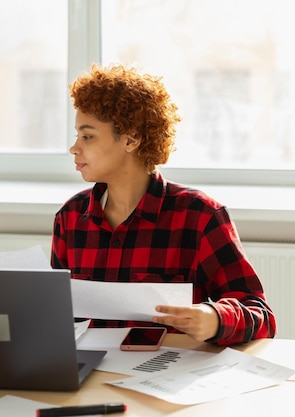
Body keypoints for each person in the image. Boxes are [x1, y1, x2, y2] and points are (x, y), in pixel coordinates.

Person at [51, 64, 276, 346]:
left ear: (131, 139)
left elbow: (260, 314)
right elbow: (55, 316)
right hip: (86, 378)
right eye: (77, 135)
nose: (74, 148)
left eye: (87, 136)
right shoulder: (70, 218)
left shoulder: (200, 216)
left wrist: (214, 318)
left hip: (160, 377)